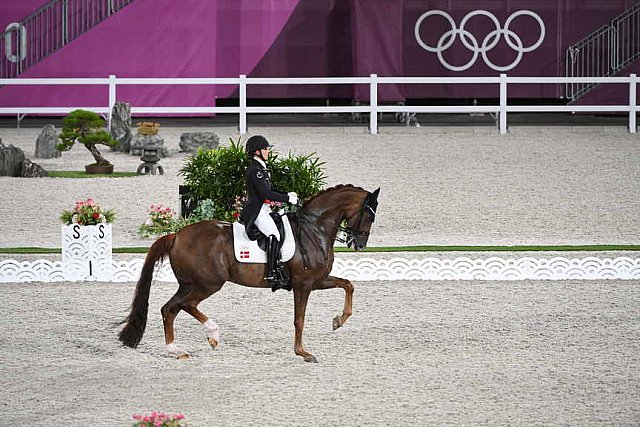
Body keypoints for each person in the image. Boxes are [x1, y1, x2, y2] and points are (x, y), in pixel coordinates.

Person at [239, 135, 298, 291]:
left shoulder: (261, 168)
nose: (268, 152)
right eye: (266, 149)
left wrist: (287, 194)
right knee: (274, 235)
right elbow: (265, 193)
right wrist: (287, 198)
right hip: (257, 210)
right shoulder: (255, 170)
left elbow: (270, 191)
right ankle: (272, 273)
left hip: (264, 208)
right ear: (257, 151)